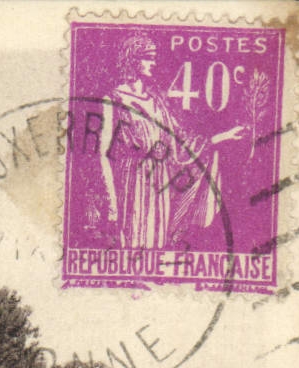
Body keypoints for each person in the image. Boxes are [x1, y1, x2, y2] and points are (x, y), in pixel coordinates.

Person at [99, 34, 246, 249]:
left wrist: (223, 136)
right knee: (134, 242)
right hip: (131, 181)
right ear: (133, 59)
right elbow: (104, 154)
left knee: (158, 241)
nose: (153, 63)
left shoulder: (156, 100)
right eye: (148, 57)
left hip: (160, 180)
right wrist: (111, 200)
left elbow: (180, 140)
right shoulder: (113, 99)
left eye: (154, 57)